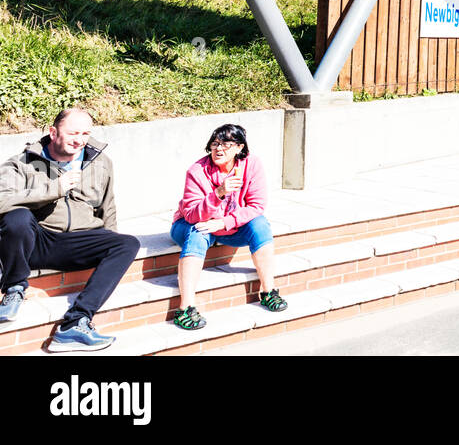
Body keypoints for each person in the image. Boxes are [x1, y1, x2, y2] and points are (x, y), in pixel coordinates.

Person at [0, 108, 138, 352]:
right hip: (39, 241)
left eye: (85, 133)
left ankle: (76, 322)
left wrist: (110, 244)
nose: (80, 140)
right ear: (53, 133)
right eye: (73, 132)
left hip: (79, 242)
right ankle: (14, 288)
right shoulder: (22, 162)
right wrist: (55, 189)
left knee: (126, 243)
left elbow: (108, 206)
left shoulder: (101, 163)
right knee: (17, 217)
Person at [169, 123, 286, 330]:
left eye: (226, 144)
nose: (219, 149)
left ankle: (268, 292)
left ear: (239, 147)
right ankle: (185, 309)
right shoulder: (197, 171)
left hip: (228, 228)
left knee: (260, 224)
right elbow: (191, 214)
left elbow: (256, 205)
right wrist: (218, 194)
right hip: (189, 224)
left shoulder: (251, 165)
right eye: (215, 144)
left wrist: (224, 222)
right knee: (197, 231)